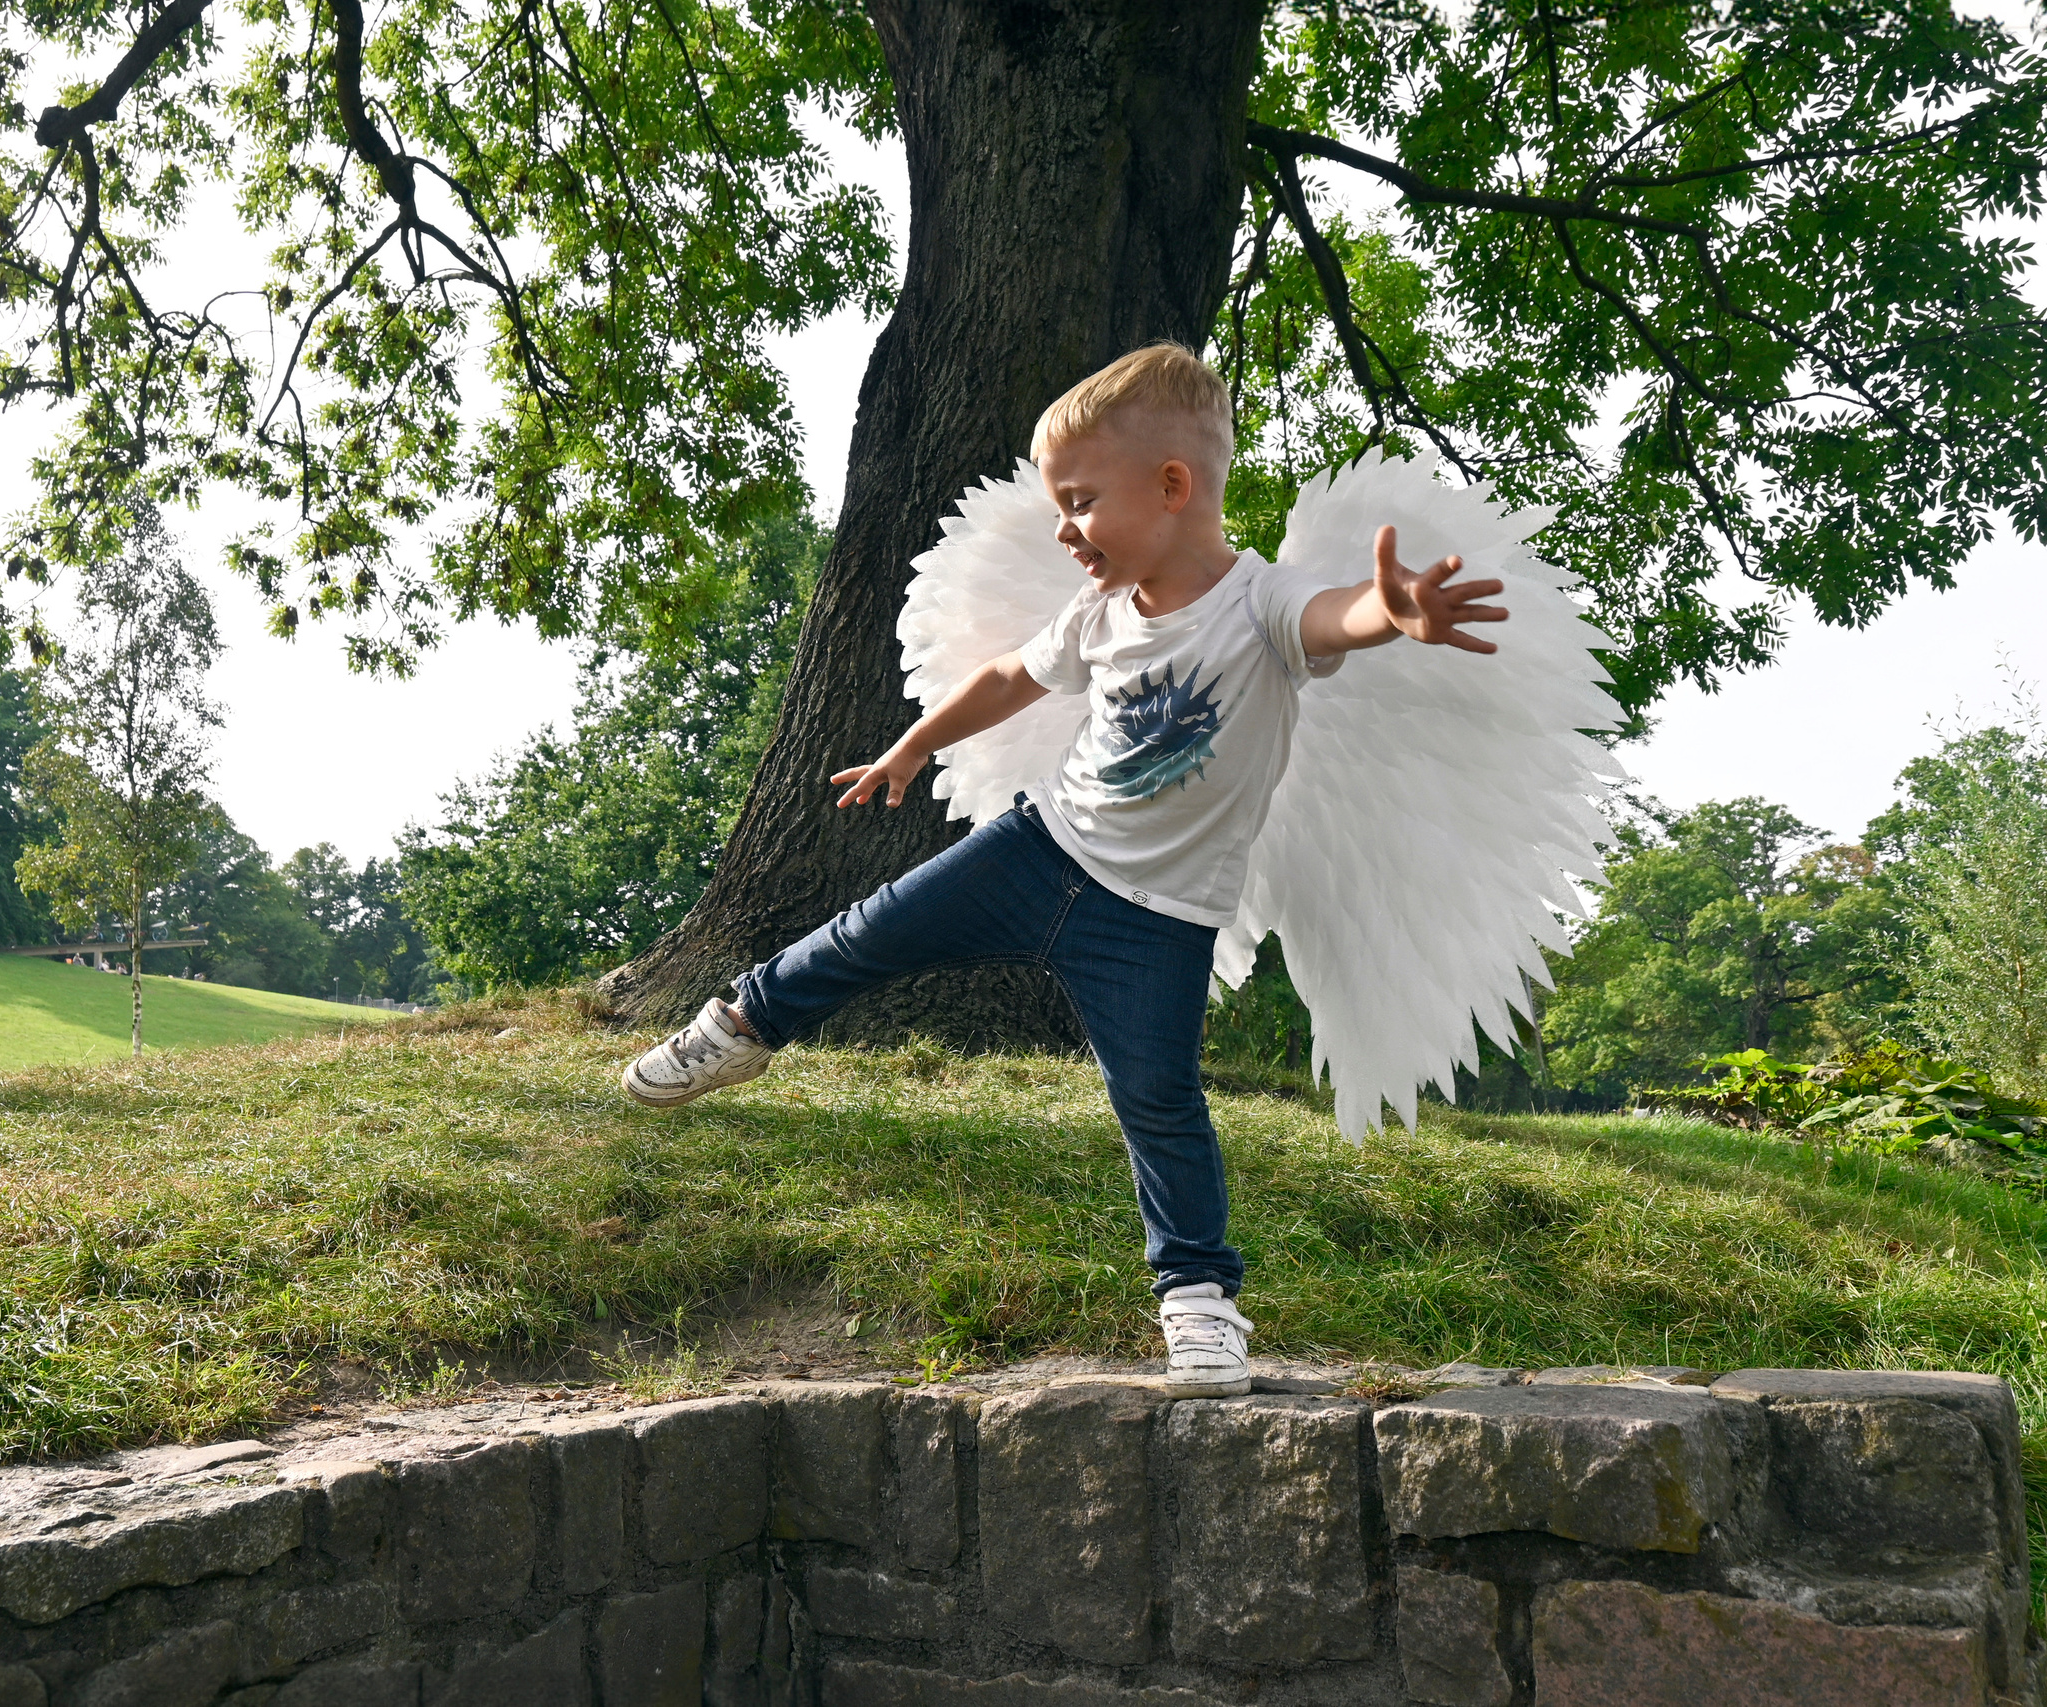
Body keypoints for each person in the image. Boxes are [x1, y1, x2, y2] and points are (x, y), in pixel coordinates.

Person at [620, 343, 1508, 1395]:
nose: (1064, 530)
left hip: (1161, 921)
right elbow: (1007, 675)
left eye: (1081, 502)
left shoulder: (1261, 605)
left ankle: (1198, 1300)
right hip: (1039, 852)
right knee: (869, 931)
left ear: (1172, 488)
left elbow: (1334, 621)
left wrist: (1387, 614)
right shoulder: (1100, 614)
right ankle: (740, 1027)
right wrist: (914, 745)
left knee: (1159, 1101)